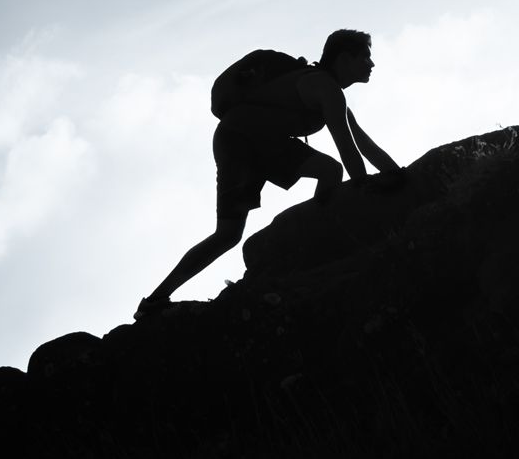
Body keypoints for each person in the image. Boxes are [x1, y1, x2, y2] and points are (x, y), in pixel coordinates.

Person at [136, 29, 403, 320]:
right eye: (365, 57)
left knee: (227, 234)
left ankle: (154, 301)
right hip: (244, 139)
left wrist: (396, 173)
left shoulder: (330, 92)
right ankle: (312, 249)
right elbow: (346, 146)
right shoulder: (325, 88)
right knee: (328, 171)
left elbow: (363, 143)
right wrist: (364, 187)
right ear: (344, 58)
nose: (372, 65)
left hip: (238, 139)